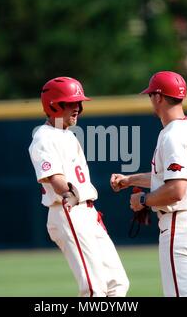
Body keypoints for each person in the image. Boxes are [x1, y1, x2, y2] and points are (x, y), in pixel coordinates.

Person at [110, 71, 187, 297]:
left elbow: (176, 190)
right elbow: (170, 178)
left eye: (150, 95)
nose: (150, 100)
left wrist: (143, 200)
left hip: (181, 224)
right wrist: (130, 180)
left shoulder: (172, 135)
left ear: (158, 97)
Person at [28, 76, 129, 297]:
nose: (78, 108)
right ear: (53, 105)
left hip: (88, 213)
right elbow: (55, 178)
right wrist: (69, 194)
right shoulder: (44, 138)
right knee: (94, 289)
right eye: (71, 103)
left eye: (79, 103)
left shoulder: (66, 134)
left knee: (118, 283)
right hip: (69, 210)